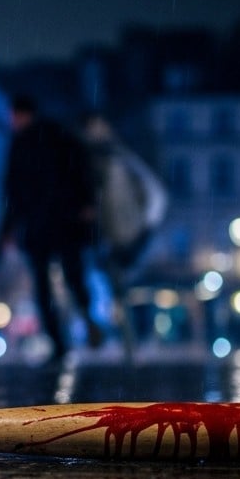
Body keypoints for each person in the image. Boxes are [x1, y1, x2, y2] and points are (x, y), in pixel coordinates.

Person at [0, 94, 104, 361]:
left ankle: (58, 340)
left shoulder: (20, 145)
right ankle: (86, 316)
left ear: (18, 115)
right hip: (67, 220)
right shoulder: (60, 136)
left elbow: (13, 193)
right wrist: (86, 203)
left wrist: (6, 230)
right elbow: (82, 168)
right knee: (74, 275)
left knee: (42, 286)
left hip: (38, 224)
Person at [82, 113, 168, 357]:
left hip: (126, 236)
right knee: (114, 288)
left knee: (125, 288)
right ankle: (127, 344)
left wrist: (144, 230)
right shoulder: (97, 162)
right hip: (108, 238)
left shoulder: (121, 161)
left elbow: (155, 195)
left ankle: (133, 344)